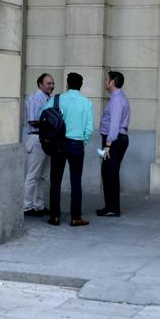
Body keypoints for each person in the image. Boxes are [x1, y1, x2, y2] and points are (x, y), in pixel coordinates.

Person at [42, 71, 93, 227]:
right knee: (76, 182)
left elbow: (42, 115)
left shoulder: (57, 99)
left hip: (59, 143)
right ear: (80, 85)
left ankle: (55, 216)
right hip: (76, 144)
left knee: (55, 181)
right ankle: (75, 217)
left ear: (67, 84)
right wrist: (82, 141)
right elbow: (89, 128)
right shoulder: (87, 103)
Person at [97, 70, 130, 217]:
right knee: (110, 172)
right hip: (116, 139)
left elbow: (114, 124)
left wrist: (108, 144)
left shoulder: (116, 99)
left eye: (106, 80)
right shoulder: (120, 97)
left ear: (112, 82)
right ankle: (110, 206)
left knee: (109, 173)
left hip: (113, 140)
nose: (105, 82)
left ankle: (112, 208)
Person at [23, 73, 55, 217]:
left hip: (46, 139)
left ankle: (39, 205)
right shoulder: (35, 99)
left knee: (43, 176)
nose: (51, 86)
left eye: (52, 83)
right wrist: (52, 123)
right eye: (48, 83)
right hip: (36, 139)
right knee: (32, 175)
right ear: (40, 84)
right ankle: (27, 206)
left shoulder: (48, 99)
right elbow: (32, 121)